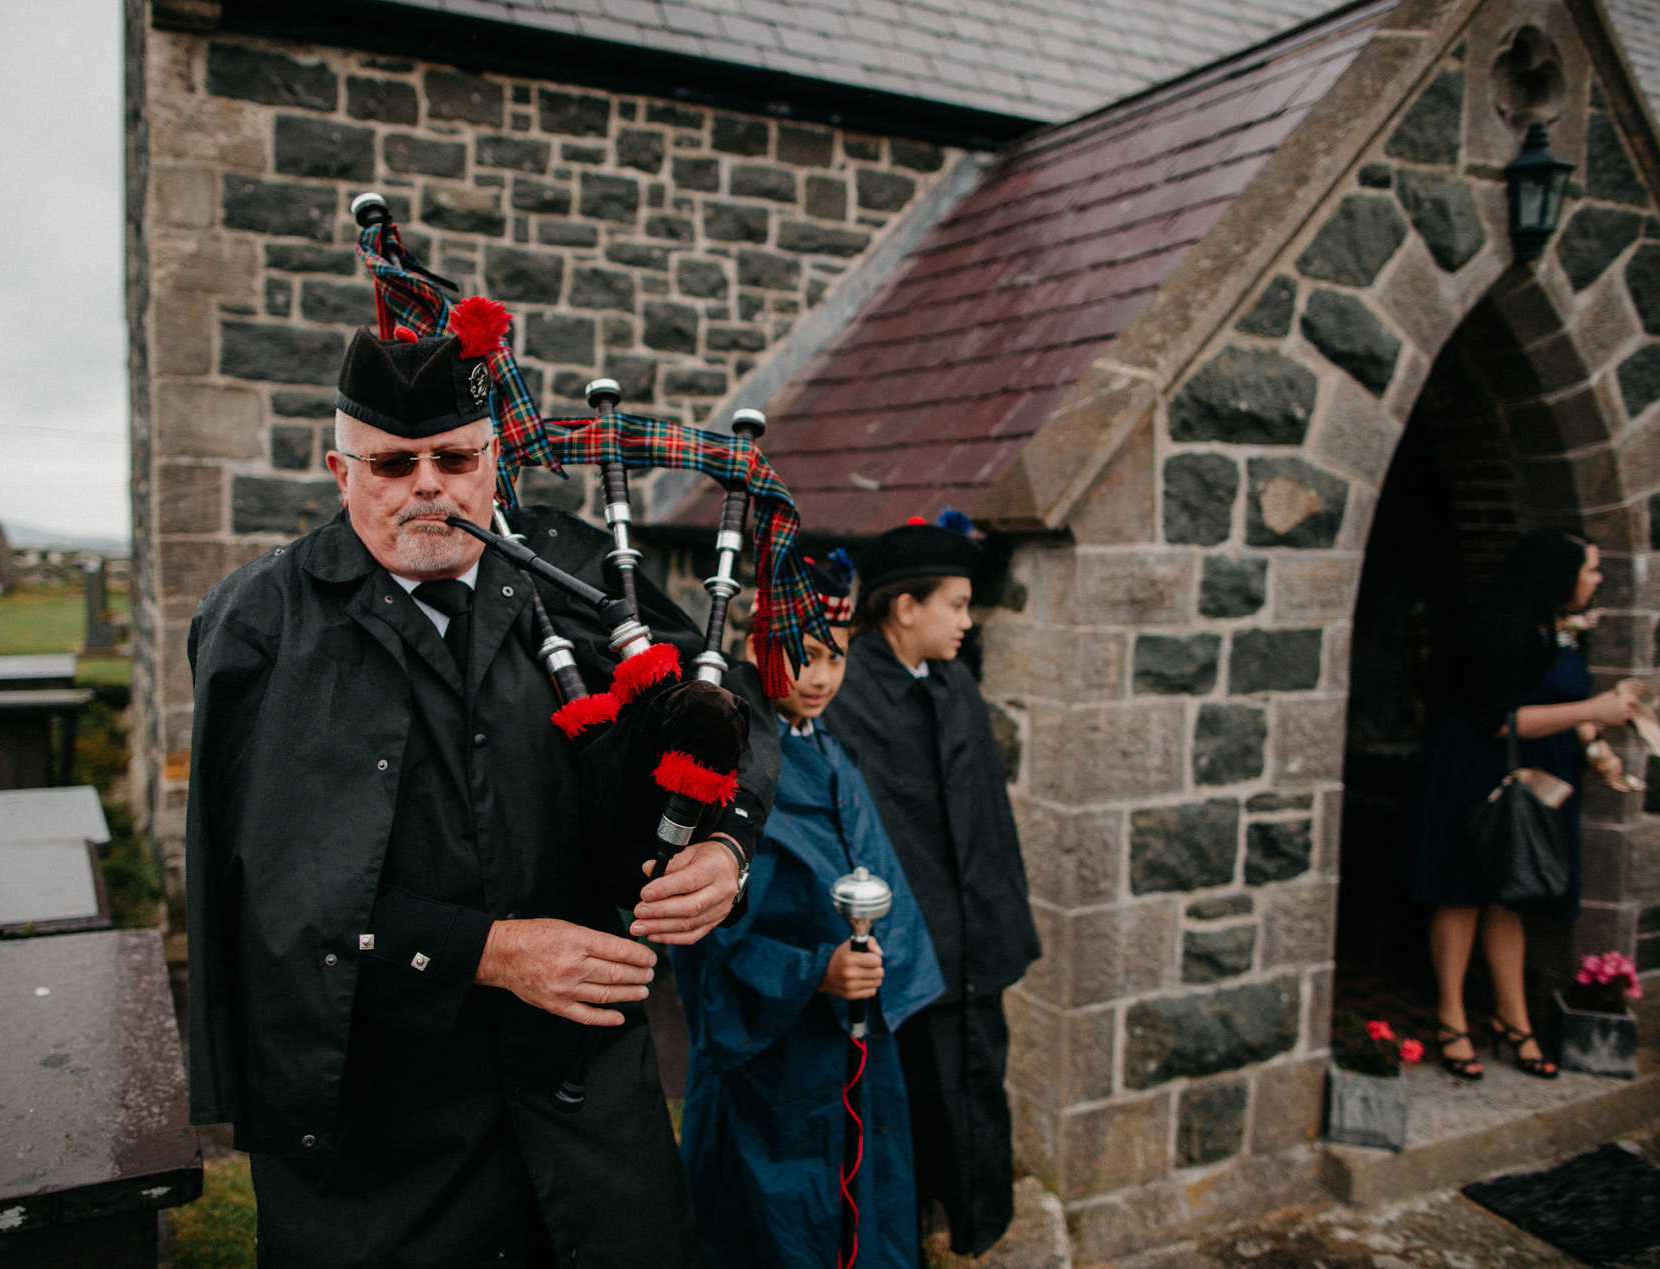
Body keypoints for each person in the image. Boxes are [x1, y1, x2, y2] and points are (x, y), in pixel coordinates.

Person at [183, 320, 779, 1267]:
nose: (428, 484)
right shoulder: (262, 626)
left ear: (493, 461)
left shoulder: (580, 575)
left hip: (592, 1130)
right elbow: (272, 903)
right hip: (389, 1152)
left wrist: (724, 844)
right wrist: (490, 952)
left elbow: (726, 717)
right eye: (390, 464)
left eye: (454, 457)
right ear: (341, 473)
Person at [674, 553, 945, 1269]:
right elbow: (703, 938)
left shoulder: (824, 740)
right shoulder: (730, 762)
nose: (821, 677)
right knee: (777, 1218)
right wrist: (811, 972)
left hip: (853, 1031)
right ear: (760, 648)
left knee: (864, 1185)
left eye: (837, 656)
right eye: (803, 657)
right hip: (770, 1048)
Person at [825, 513, 1042, 1258]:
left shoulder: (956, 686)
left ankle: (969, 1230)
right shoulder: (847, 698)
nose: (967, 619)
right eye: (956, 603)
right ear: (904, 606)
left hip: (976, 946)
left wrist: (999, 927)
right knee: (909, 1117)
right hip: (908, 964)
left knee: (978, 1100)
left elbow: (991, 821)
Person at [1411, 529, 1638, 1081]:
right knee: (1463, 889)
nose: (1598, 579)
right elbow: (1496, 720)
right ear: (1557, 576)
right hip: (1481, 769)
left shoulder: (1565, 631)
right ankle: (1451, 1017)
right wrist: (1595, 709)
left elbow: (1569, 704)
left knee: (1512, 893)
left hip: (1540, 774)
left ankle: (1514, 1018)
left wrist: (1595, 747)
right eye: (1590, 570)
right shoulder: (1500, 631)